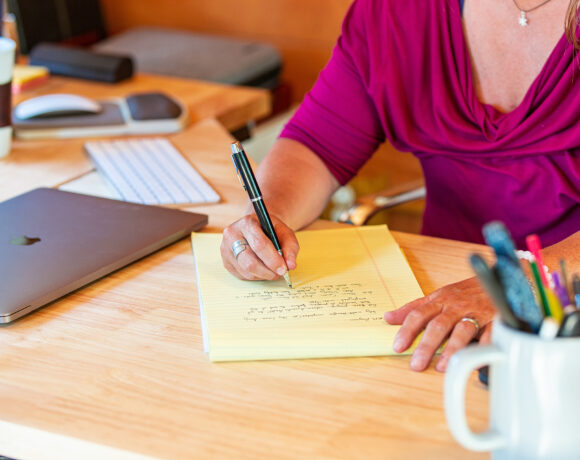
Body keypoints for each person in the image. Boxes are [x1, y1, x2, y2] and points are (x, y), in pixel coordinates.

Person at [220, 0, 580, 371]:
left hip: (566, 302)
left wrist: (529, 280)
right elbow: (316, 145)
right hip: (439, 291)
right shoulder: (398, 10)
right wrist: (269, 214)